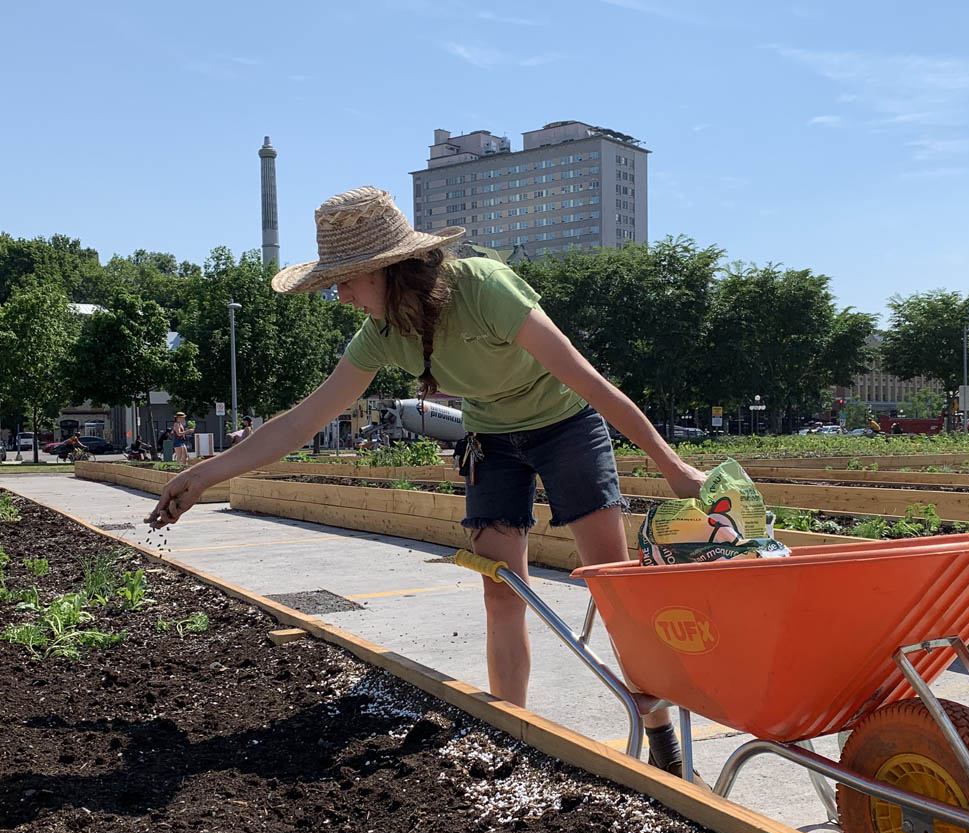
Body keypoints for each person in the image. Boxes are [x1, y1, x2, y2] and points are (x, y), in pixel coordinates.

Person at [145, 186, 707, 779]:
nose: (340, 296)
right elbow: (304, 420)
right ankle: (511, 732)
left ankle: (661, 736)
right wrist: (204, 475)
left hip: (565, 425)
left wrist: (673, 467)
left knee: (611, 589)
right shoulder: (382, 334)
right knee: (503, 591)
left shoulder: (486, 287)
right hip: (490, 440)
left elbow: (590, 383)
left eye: (346, 281)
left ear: (387, 270)